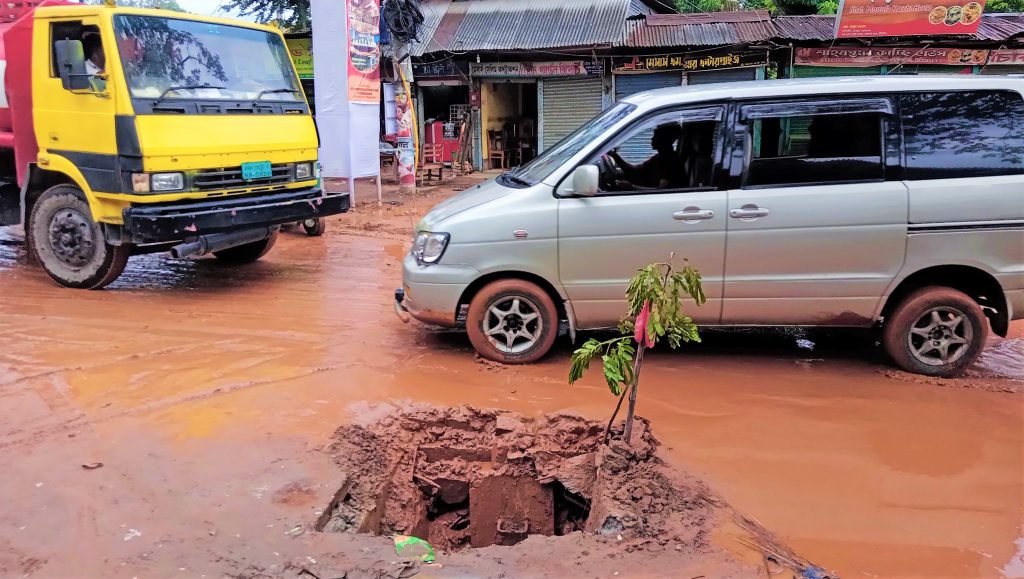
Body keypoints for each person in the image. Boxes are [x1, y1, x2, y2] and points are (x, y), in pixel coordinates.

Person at [606, 122, 683, 190]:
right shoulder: (658, 158)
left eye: (656, 136)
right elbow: (633, 171)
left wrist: (631, 187)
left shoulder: (670, 161)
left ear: (666, 139)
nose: (652, 138)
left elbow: (661, 191)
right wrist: (614, 155)